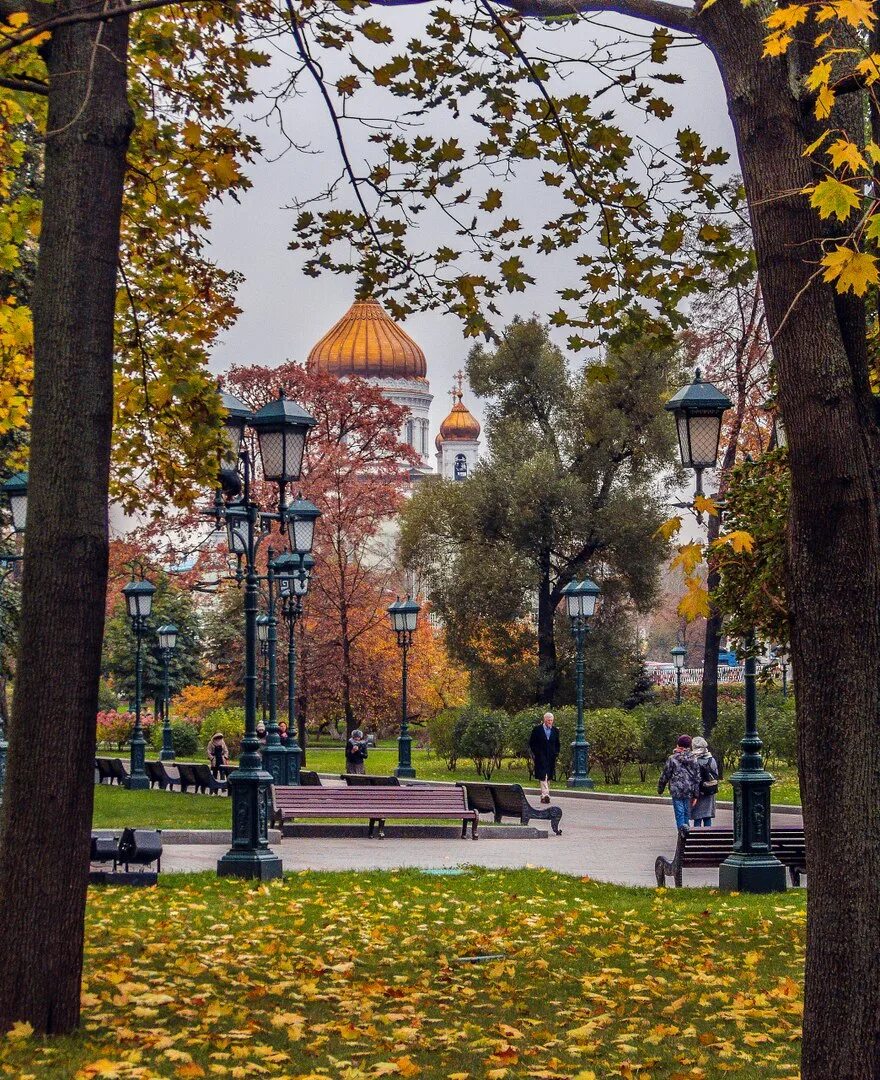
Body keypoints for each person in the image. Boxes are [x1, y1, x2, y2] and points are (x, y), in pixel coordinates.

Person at [658, 734, 701, 831]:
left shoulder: (672, 758)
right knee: (686, 812)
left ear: (678, 744)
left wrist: (660, 788)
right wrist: (696, 794)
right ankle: (687, 834)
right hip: (689, 789)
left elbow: (665, 774)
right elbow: (697, 777)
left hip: (676, 789)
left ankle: (682, 834)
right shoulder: (694, 759)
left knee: (679, 812)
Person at [529, 712, 560, 804]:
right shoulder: (537, 730)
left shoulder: (555, 730)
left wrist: (556, 753)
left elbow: (557, 743)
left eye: (551, 720)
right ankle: (546, 794)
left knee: (549, 776)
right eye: (548, 720)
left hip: (551, 756)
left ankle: (543, 796)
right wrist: (536, 752)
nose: (550, 722)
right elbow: (532, 743)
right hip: (540, 755)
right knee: (543, 775)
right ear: (544, 720)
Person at [689, 735, 719, 827]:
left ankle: (697, 838)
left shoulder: (693, 760)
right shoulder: (711, 759)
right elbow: (715, 774)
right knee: (707, 817)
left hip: (698, 793)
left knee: (697, 817)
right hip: (710, 791)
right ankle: (708, 837)